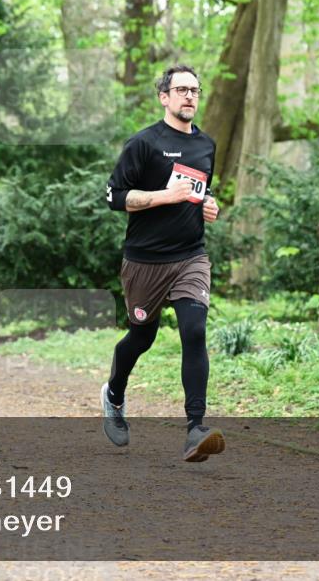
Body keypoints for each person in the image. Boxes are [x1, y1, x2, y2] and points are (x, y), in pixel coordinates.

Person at [102, 63, 224, 461]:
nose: (189, 96)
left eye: (195, 90)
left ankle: (195, 429)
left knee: (194, 330)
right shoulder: (144, 144)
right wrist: (163, 197)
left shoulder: (206, 145)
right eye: (181, 90)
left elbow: (202, 191)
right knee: (142, 337)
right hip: (145, 261)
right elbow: (115, 197)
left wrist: (209, 204)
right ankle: (114, 394)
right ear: (164, 97)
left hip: (190, 256)